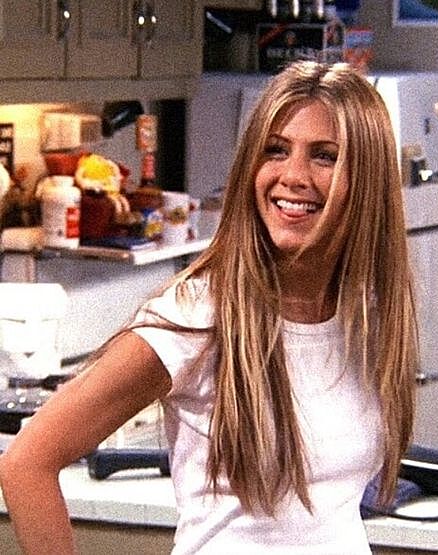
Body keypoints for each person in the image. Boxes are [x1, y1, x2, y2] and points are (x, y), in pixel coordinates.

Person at [0, 60, 417, 554]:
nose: (293, 176)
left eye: (325, 157)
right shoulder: (198, 317)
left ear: (367, 181)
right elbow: (26, 462)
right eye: (276, 150)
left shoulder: (366, 312)